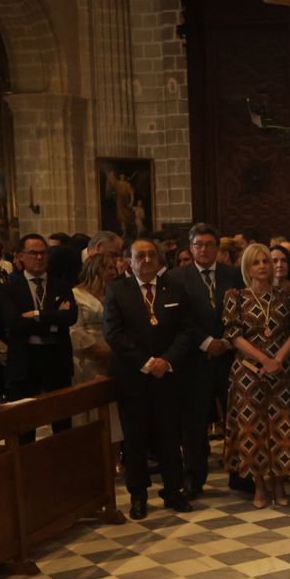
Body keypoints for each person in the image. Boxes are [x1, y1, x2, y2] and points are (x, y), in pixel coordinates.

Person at [103, 239, 192, 518]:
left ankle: (173, 491)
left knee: (169, 435)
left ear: (159, 259)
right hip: (133, 377)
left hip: (168, 375)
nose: (146, 260)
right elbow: (114, 333)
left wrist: (167, 361)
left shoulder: (174, 288)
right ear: (129, 261)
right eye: (139, 256)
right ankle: (138, 495)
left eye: (151, 255)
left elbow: (186, 330)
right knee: (136, 439)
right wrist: (145, 362)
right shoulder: (117, 290)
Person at [222, 244, 290, 508]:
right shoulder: (235, 296)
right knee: (252, 428)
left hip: (281, 372)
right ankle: (259, 485)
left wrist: (278, 359)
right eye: (256, 262)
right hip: (248, 374)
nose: (262, 266)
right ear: (248, 268)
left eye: (266, 262)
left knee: (282, 426)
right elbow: (233, 335)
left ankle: (280, 485)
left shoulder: (286, 295)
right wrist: (263, 359)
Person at [163, 222, 243, 497]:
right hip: (194, 361)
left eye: (210, 244)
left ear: (218, 248)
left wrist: (228, 340)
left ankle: (240, 475)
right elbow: (179, 318)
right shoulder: (176, 278)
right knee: (194, 423)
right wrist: (206, 342)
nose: (204, 249)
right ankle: (194, 478)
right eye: (199, 244)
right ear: (191, 247)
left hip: (230, 357)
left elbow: (243, 310)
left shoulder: (233, 275)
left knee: (235, 418)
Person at [1, 234, 77, 434]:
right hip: (26, 360)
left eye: (43, 253)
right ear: (20, 256)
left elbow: (70, 317)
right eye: (33, 253)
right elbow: (14, 322)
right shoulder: (10, 287)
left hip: (56, 358)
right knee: (25, 425)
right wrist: (53, 318)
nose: (39, 257)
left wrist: (35, 315)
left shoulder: (60, 285)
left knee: (62, 423)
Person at [71, 253, 116, 386]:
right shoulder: (76, 294)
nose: (114, 273)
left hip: (112, 352)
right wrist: (96, 349)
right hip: (85, 354)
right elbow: (74, 329)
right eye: (110, 268)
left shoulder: (113, 294)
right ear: (97, 269)